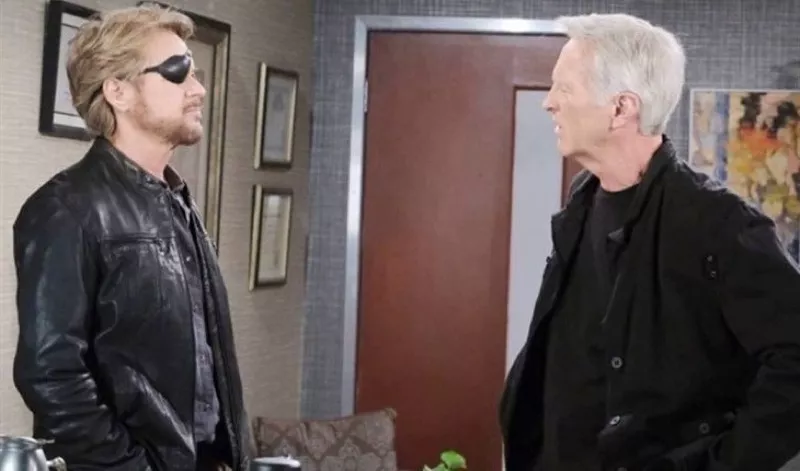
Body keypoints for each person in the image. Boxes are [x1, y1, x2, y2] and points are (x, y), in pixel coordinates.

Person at [499, 12, 800, 471]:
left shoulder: (716, 222)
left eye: (565, 88)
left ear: (621, 108)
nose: (549, 103)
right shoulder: (582, 202)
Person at [12, 4, 253, 470]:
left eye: (195, 73)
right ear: (117, 91)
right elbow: (52, 377)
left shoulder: (177, 201)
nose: (198, 89)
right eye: (177, 72)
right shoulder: (65, 209)